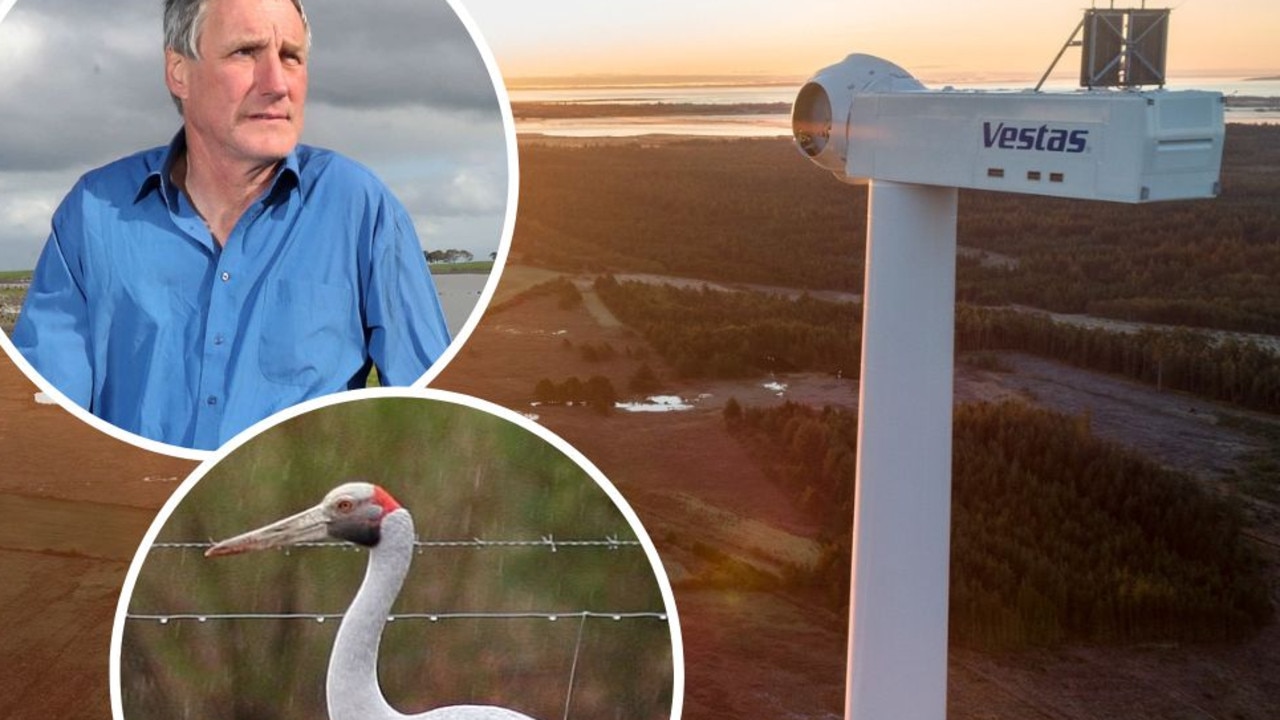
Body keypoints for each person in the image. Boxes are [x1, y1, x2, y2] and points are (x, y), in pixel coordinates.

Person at [12, 0, 452, 451]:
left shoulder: (360, 207)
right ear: (179, 72)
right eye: (246, 52)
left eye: (290, 57)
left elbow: (435, 415)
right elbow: (44, 428)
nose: (277, 85)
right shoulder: (93, 213)